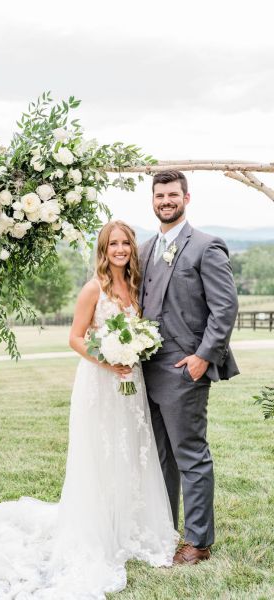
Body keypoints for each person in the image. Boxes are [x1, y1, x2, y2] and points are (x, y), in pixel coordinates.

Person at [0, 220, 178, 600]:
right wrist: (109, 360)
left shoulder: (135, 287)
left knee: (130, 451)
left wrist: (131, 355)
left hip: (129, 383)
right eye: (113, 244)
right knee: (98, 455)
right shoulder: (93, 289)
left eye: (125, 243)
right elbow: (74, 338)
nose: (120, 249)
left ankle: (127, 526)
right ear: (104, 250)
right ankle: (96, 528)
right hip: (99, 381)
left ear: (132, 249)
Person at [139, 170, 240, 566]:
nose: (166, 200)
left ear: (186, 197)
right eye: (159, 194)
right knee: (160, 456)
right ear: (152, 200)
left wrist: (203, 357)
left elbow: (225, 307)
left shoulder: (206, 246)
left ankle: (198, 542)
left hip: (185, 369)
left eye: (172, 194)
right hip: (146, 369)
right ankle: (164, 530)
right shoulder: (145, 249)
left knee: (190, 455)